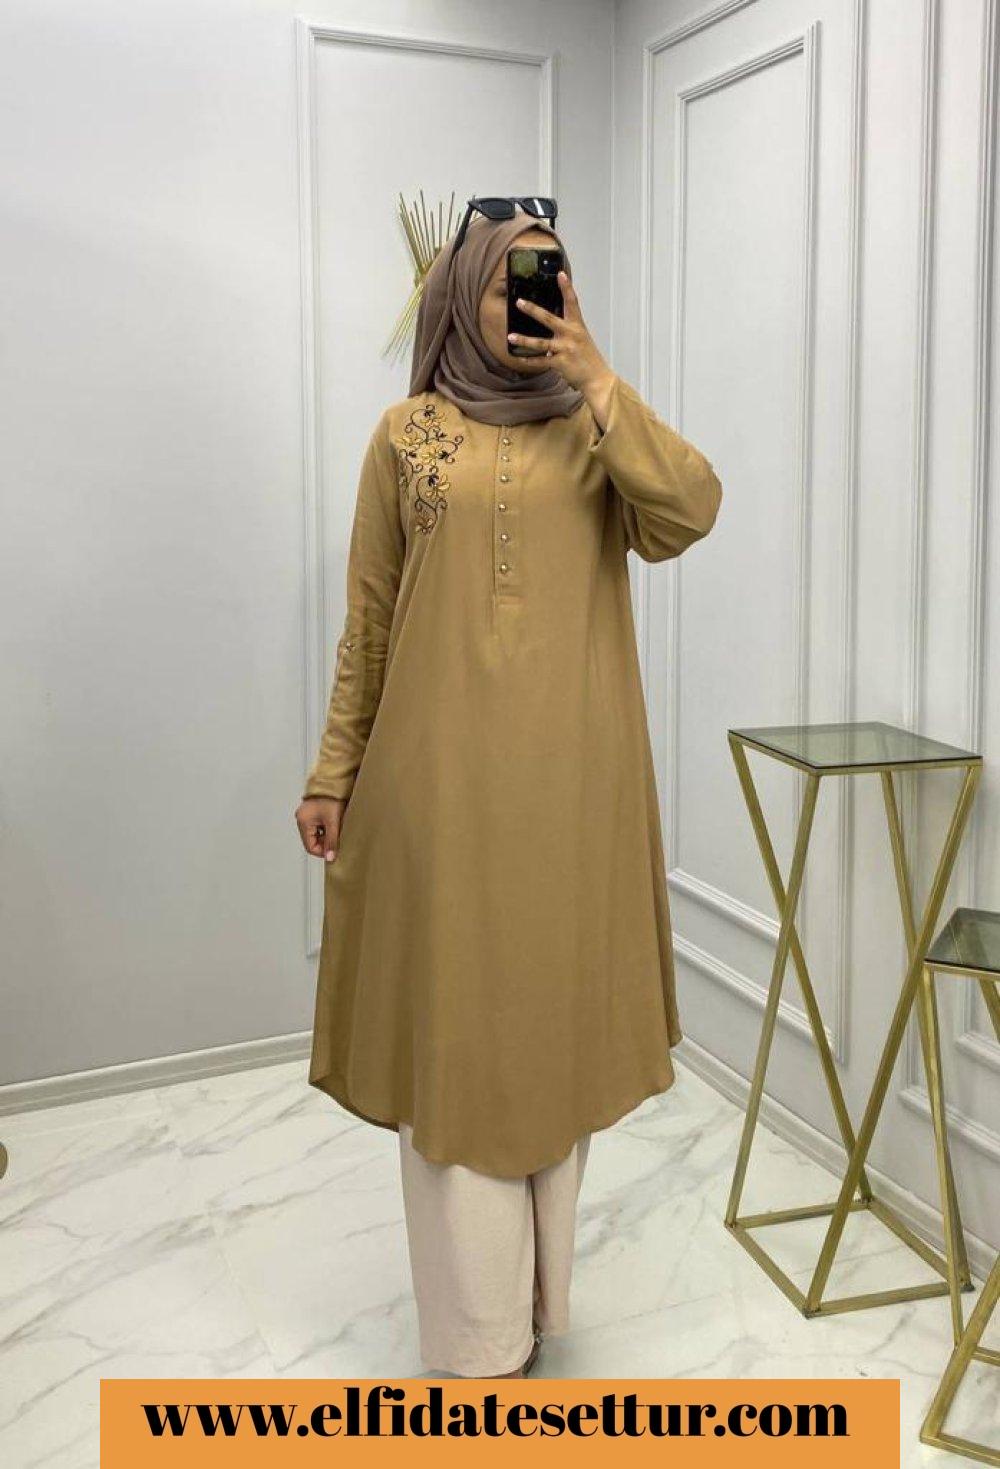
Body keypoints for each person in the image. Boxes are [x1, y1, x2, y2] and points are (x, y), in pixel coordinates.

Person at [294, 202, 723, 1378]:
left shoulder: (598, 430)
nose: (539, 296)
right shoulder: (405, 435)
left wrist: (598, 378)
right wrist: (334, 767)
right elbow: (369, 620)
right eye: (514, 278)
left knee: (546, 1039)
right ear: (462, 294)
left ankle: (535, 1303)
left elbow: (688, 512)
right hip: (434, 796)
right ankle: (474, 1334)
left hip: (574, 798)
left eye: (555, 276)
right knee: (456, 1047)